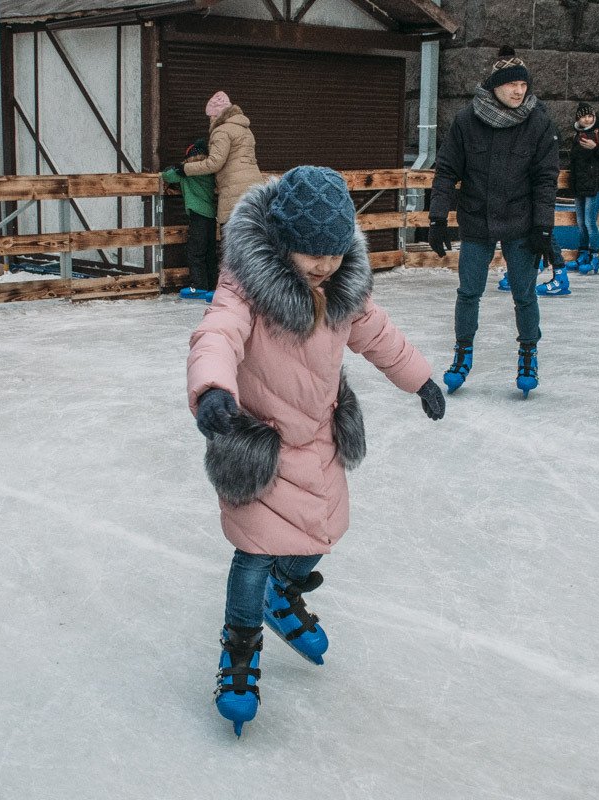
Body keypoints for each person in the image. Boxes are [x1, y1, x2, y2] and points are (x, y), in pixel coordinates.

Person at [186, 166, 446, 736]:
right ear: (283, 243)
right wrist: (211, 390)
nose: (324, 264)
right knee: (254, 553)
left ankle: (284, 594)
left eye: (333, 252)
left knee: (317, 540)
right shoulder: (246, 288)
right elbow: (217, 335)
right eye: (312, 254)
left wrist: (420, 378)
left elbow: (377, 333)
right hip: (260, 442)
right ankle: (239, 653)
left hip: (318, 438)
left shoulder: (343, 288)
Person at [428, 46, 559, 398]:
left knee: (524, 294)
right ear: (495, 86)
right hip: (476, 221)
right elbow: (446, 172)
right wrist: (438, 216)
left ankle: (528, 354)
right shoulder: (466, 121)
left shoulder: (539, 123)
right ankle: (462, 354)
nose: (519, 91)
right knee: (468, 292)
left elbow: (546, 180)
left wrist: (544, 227)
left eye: (523, 84)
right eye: (512, 84)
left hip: (521, 223)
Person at [181, 91, 264, 226]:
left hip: (235, 190)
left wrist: (185, 168)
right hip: (255, 189)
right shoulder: (245, 129)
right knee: (253, 234)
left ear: (217, 114)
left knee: (234, 237)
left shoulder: (221, 131)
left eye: (211, 116)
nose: (210, 120)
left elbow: (214, 163)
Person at [162, 137, 218, 300]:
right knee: (209, 252)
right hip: (210, 215)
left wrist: (175, 168)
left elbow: (168, 176)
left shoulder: (186, 171)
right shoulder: (209, 170)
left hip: (197, 215)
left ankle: (199, 286)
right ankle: (212, 286)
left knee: (195, 251)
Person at [565, 102, 599, 277]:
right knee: (580, 224)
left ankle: (594, 256)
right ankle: (583, 254)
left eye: (590, 116)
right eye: (584, 116)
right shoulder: (576, 135)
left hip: (594, 184)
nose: (588, 119)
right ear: (578, 118)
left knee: (589, 223)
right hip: (580, 185)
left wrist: (596, 148)